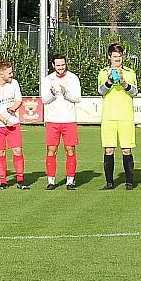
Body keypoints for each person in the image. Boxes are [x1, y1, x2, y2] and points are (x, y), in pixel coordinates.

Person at [97, 43, 139, 190]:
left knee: (126, 149)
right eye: (114, 56)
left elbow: (134, 92)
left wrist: (124, 83)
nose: (117, 59)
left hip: (126, 116)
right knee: (109, 149)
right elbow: (101, 91)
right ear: (109, 57)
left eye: (119, 56)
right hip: (108, 116)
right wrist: (109, 82)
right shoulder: (103, 72)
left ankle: (129, 182)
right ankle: (109, 183)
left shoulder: (130, 72)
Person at [40, 54, 82, 190]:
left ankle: (70, 181)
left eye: (63, 65)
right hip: (53, 120)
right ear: (53, 65)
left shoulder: (73, 78)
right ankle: (51, 181)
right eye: (58, 65)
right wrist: (52, 94)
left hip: (69, 120)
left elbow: (77, 98)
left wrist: (66, 93)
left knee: (70, 149)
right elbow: (44, 99)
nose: (61, 67)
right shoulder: (48, 79)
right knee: (51, 149)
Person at [0, 61, 27, 189]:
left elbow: (19, 100)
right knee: (0, 152)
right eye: (9, 73)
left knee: (17, 150)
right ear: (1, 74)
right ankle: (3, 182)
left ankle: (20, 180)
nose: (12, 75)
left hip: (13, 124)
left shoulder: (14, 83)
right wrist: (3, 120)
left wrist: (13, 108)